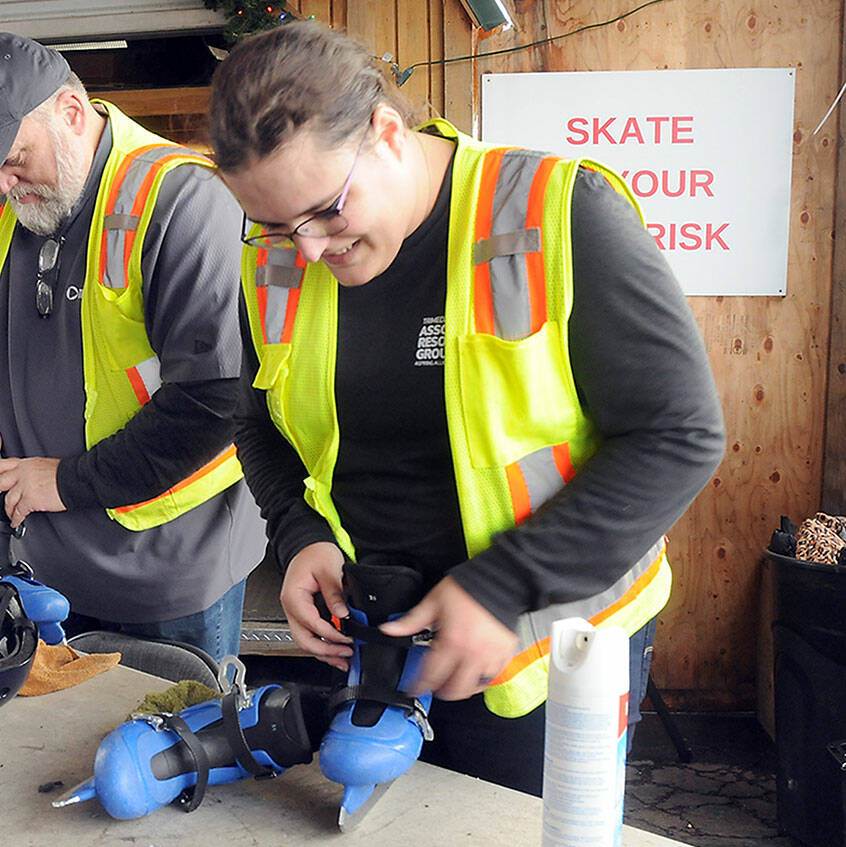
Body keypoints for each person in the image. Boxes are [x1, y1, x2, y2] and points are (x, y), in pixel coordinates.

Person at [209, 21, 725, 795]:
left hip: (554, 646)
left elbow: (680, 436)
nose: (307, 250)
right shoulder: (277, 260)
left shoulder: (559, 213)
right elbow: (256, 421)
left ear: (386, 132)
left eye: (325, 212)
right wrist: (299, 534)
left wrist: (503, 586)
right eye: (278, 225)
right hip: (378, 641)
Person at [0, 33, 265, 660]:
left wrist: (68, 482)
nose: (3, 182)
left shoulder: (182, 202)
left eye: (15, 155)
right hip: (41, 569)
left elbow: (217, 402)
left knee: (172, 744)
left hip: (165, 573)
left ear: (72, 113)